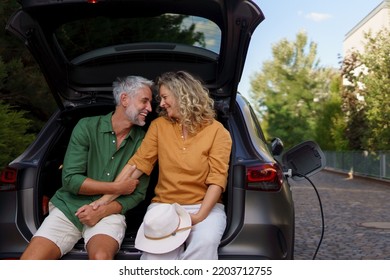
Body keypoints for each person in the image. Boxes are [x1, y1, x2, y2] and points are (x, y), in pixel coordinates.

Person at [92, 70, 232, 260]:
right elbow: (138, 165)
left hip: (205, 206)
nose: (162, 103)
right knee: (156, 257)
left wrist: (198, 217)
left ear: (182, 94)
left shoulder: (218, 132)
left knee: (204, 244)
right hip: (165, 206)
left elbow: (217, 180)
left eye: (165, 97)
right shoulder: (159, 126)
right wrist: (104, 200)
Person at [20, 75, 154, 260]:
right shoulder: (87, 126)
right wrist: (116, 188)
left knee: (100, 259)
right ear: (124, 99)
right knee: (29, 263)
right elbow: (70, 180)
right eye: (144, 101)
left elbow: (138, 194)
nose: (150, 108)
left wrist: (102, 209)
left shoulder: (145, 140)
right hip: (69, 208)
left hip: (110, 213)